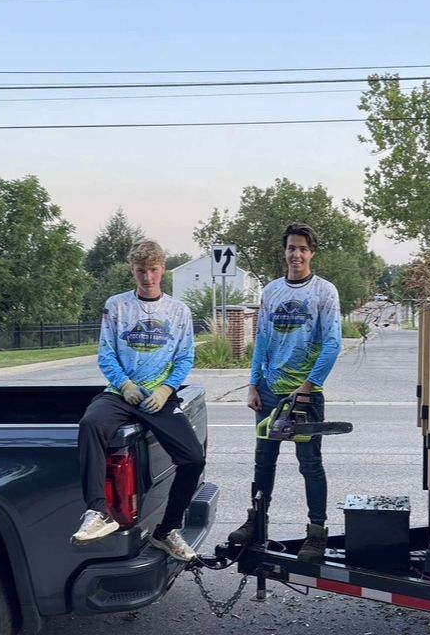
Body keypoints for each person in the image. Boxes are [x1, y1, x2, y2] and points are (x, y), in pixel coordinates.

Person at [73, 240, 204, 561]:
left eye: (154, 270)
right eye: (141, 271)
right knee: (90, 423)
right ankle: (97, 512)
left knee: (193, 458)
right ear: (132, 270)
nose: (148, 277)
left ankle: (167, 531)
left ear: (164, 268)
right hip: (122, 394)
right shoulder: (116, 306)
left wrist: (166, 389)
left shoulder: (179, 311)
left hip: (158, 398)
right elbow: (105, 354)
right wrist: (125, 384)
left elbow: (185, 358)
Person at [228, 222, 342, 563]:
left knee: (310, 465)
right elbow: (262, 338)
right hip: (269, 392)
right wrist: (252, 383)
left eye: (303, 249)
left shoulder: (324, 292)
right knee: (264, 460)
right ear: (285, 251)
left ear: (312, 253)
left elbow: (333, 343)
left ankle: (317, 532)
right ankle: (257, 521)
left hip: (304, 396)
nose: (296, 254)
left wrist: (309, 387)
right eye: (291, 248)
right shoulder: (272, 291)